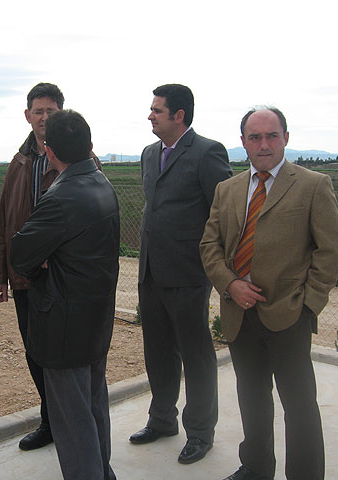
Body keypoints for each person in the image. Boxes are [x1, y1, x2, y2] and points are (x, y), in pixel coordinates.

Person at [200, 107, 338, 480]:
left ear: (286, 138)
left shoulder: (313, 185)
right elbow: (210, 245)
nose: (263, 145)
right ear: (244, 142)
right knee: (252, 398)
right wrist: (230, 284)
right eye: (255, 137)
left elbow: (330, 252)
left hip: (289, 314)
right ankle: (256, 467)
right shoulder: (227, 189)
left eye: (271, 136)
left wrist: (308, 305)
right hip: (239, 313)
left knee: (299, 406)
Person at [0, 82, 102, 450]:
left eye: (50, 111)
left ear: (61, 115)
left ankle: (71, 427)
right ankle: (51, 421)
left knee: (64, 358)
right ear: (27, 116)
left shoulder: (83, 162)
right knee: (35, 353)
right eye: (37, 111)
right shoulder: (19, 164)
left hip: (63, 282)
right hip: (25, 278)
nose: (43, 117)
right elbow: (5, 220)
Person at [10, 109, 120, 480]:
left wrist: (44, 258)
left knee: (72, 424)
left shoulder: (62, 196)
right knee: (93, 407)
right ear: (89, 145)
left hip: (63, 325)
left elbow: (21, 254)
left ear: (49, 149)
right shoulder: (102, 184)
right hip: (94, 320)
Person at [130, 83, 231, 465]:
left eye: (157, 110)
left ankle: (201, 432)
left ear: (179, 116)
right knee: (157, 351)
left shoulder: (207, 153)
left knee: (196, 355)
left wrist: (219, 268)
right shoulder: (148, 154)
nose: (150, 115)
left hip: (189, 272)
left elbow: (223, 212)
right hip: (151, 271)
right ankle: (162, 420)